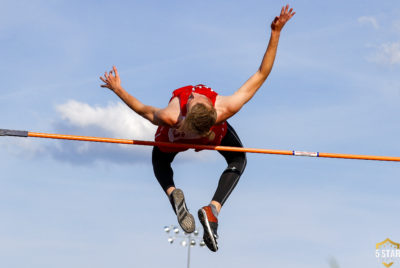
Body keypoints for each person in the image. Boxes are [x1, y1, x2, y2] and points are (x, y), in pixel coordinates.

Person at [100, 5, 295, 252]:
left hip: (174, 136)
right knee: (238, 159)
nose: (192, 94)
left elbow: (143, 110)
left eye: (191, 98)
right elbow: (261, 74)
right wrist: (276, 33)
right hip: (213, 136)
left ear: (190, 109)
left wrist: (118, 89)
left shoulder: (172, 115)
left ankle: (172, 193)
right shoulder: (226, 107)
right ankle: (213, 210)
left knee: (160, 162)